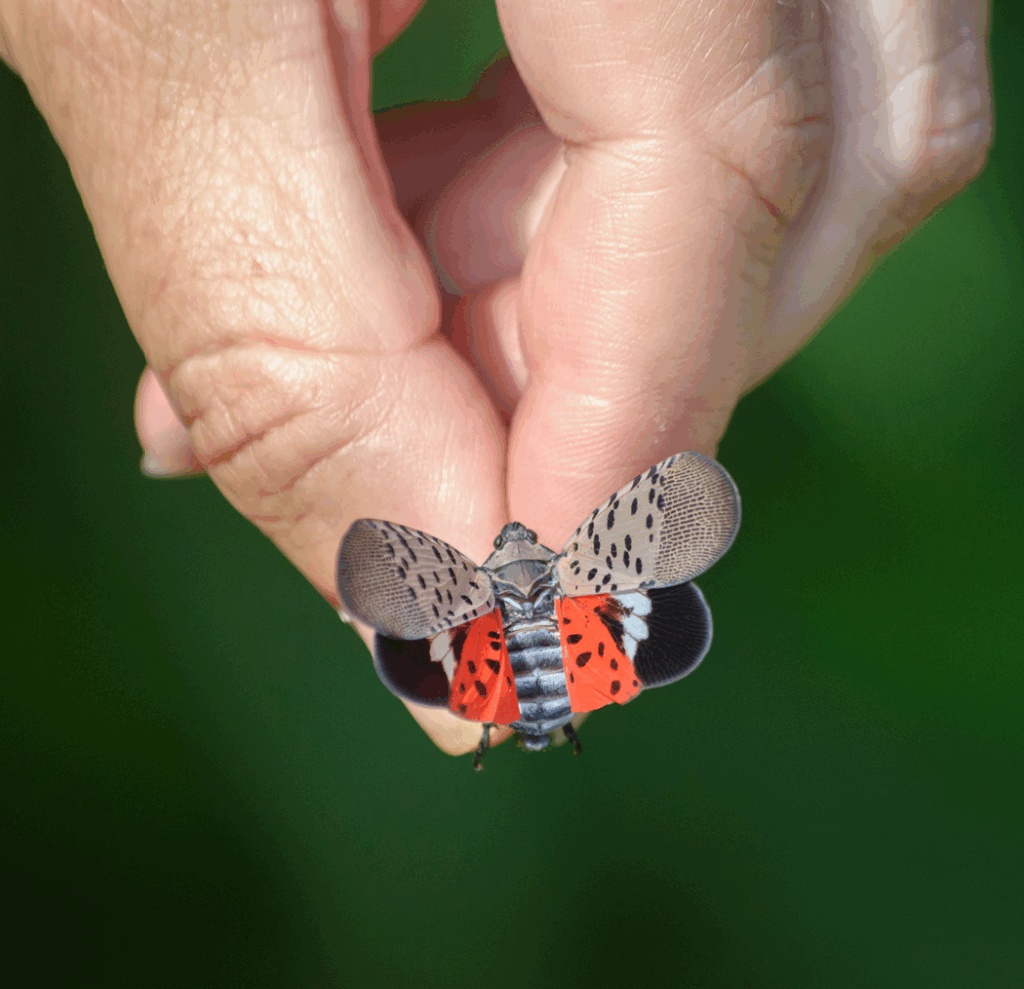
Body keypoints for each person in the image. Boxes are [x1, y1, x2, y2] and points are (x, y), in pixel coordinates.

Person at [1, 0, 992, 756]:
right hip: (569, 611)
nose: (517, 550)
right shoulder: (562, 570)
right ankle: (553, 688)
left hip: (500, 625)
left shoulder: (483, 584)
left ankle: (510, 698)